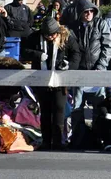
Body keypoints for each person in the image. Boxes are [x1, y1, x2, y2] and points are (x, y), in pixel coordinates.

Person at [22, 17, 80, 150]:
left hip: (60, 82)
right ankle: (46, 141)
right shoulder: (34, 37)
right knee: (45, 112)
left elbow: (76, 54)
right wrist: (37, 55)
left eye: (53, 34)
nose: (50, 37)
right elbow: (24, 52)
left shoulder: (67, 38)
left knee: (59, 111)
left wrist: (69, 65)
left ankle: (58, 142)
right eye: (47, 35)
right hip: (42, 81)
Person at [68, 0, 111, 149]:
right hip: (79, 72)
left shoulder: (101, 24)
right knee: (77, 107)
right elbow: (70, 48)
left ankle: (99, 138)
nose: (88, 14)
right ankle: (78, 138)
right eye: (85, 11)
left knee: (99, 106)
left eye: (91, 11)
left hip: (98, 71)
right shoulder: (73, 27)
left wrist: (101, 66)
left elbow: (107, 47)